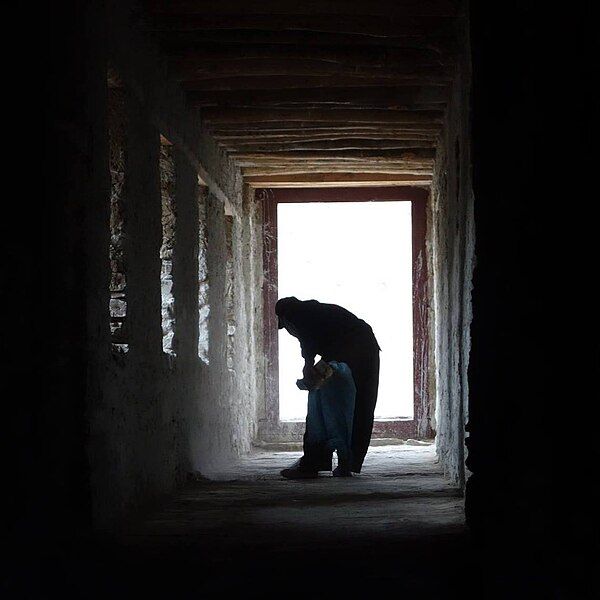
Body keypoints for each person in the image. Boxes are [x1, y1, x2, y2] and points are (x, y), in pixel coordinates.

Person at [276, 297, 381, 479]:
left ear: (285, 319)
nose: (289, 331)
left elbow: (307, 338)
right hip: (363, 347)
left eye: (285, 327)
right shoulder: (318, 313)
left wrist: (308, 364)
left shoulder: (296, 313)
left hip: (352, 350)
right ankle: (345, 463)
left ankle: (314, 463)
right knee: (360, 407)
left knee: (321, 407)